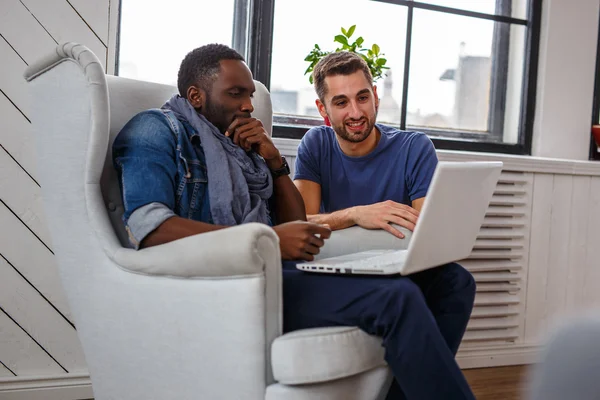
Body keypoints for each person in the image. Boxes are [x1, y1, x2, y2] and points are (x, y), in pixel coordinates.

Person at [290, 51, 477, 399]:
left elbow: (428, 230)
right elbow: (301, 223)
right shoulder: (315, 145)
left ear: (375, 96)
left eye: (363, 97)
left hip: (397, 265)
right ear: (322, 110)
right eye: (341, 102)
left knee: (458, 282)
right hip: (339, 267)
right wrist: (356, 214)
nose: (356, 112)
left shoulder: (414, 148)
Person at [113, 44, 331, 260]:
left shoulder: (241, 144)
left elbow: (296, 229)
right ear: (195, 96)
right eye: (235, 93)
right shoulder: (155, 128)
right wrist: (263, 241)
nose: (248, 106)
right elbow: (151, 229)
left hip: (266, 269)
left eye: (250, 96)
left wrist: (275, 162)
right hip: (209, 276)